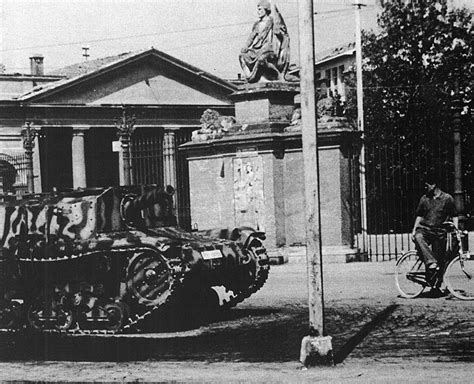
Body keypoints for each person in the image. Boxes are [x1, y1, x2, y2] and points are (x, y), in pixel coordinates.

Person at [411, 173, 457, 287]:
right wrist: (414, 229)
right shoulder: (424, 198)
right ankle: (431, 262)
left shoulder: (447, 199)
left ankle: (435, 285)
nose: (425, 188)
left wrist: (455, 229)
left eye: (427, 186)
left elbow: (454, 214)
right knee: (418, 237)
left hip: (440, 232)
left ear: (434, 185)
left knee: (440, 260)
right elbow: (419, 215)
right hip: (425, 230)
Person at [239, 0, 290, 83]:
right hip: (257, 48)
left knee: (261, 59)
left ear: (266, 10)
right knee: (242, 56)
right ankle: (251, 78)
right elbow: (251, 37)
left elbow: (281, 32)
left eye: (260, 9)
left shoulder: (272, 21)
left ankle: (276, 75)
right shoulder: (257, 24)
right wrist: (245, 46)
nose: (258, 12)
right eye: (258, 9)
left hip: (269, 48)